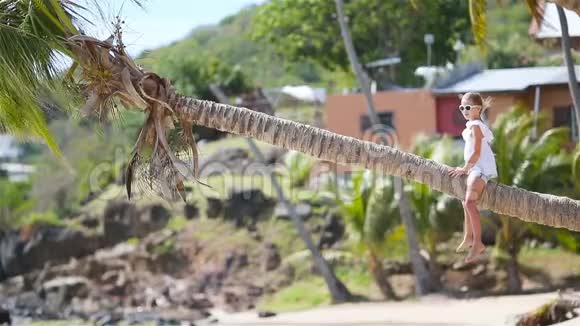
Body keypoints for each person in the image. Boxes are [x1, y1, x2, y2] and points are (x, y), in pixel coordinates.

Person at [449, 92, 498, 263]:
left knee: (469, 203)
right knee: (466, 202)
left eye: (467, 107)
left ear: (478, 109)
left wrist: (465, 168)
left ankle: (478, 242)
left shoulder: (477, 126)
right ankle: (468, 237)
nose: (464, 110)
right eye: (461, 107)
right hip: (476, 168)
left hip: (480, 168)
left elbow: (477, 151)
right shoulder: (471, 126)